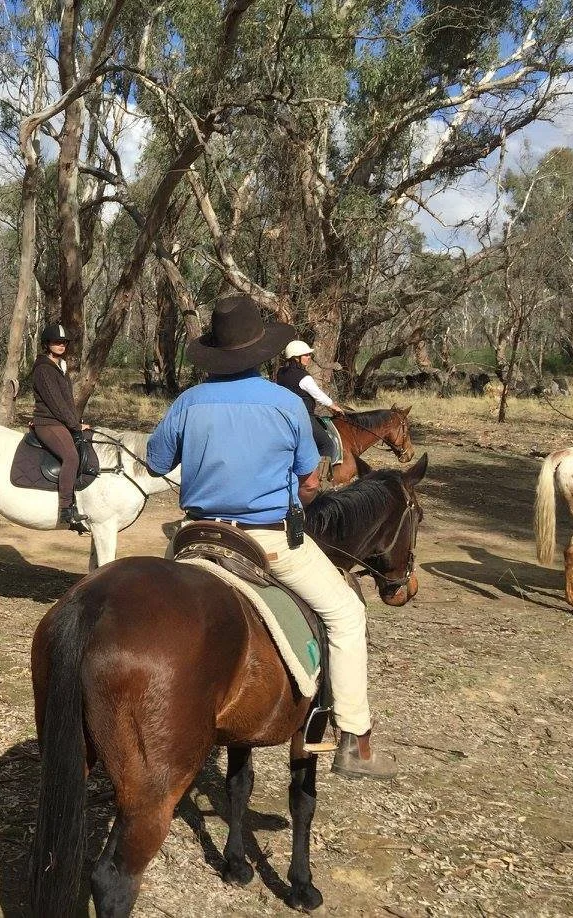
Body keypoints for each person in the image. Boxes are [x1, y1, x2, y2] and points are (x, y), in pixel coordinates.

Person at [147, 295, 397, 779]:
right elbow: (310, 481)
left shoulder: (187, 402)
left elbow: (157, 462)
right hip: (268, 542)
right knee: (347, 613)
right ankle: (354, 740)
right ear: (260, 352)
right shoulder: (286, 403)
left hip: (195, 538)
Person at [31, 322, 90, 532]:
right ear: (47, 344)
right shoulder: (43, 369)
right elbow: (56, 403)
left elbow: (68, 402)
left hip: (60, 421)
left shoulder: (59, 367)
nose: (61, 345)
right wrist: (75, 425)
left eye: (63, 342)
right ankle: (66, 508)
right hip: (47, 422)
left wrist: (77, 422)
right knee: (71, 456)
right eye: (56, 342)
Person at [276, 340, 345, 468]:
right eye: (306, 355)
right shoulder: (304, 377)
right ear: (296, 358)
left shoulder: (280, 373)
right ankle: (322, 480)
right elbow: (318, 395)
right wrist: (333, 406)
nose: (309, 358)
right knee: (327, 444)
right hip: (303, 417)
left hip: (282, 417)